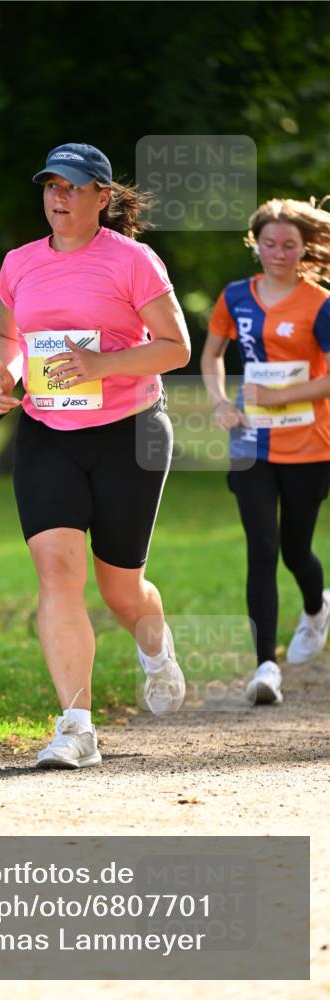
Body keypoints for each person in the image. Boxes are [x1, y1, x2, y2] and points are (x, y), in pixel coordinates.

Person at [0, 142, 191, 769]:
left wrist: (101, 364)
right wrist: (5, 374)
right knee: (56, 569)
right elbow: (9, 334)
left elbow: (176, 347)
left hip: (129, 433)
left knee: (121, 591)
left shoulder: (132, 261)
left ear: (104, 197)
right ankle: (75, 727)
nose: (58, 196)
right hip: (48, 432)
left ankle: (155, 650)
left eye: (73, 186)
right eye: (50, 185)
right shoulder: (19, 263)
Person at [201, 197, 330, 705]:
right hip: (251, 440)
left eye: (289, 245)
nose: (279, 253)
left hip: (310, 443)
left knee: (296, 547)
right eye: (270, 244)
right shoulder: (235, 296)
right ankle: (265, 666)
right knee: (262, 547)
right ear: (256, 244)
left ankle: (317, 608)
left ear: (304, 250)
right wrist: (218, 403)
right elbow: (211, 354)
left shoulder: (320, 305)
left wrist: (282, 396)